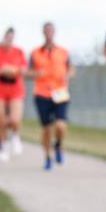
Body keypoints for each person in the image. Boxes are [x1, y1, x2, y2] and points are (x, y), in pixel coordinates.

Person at [27, 22, 73, 171]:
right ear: (43, 32)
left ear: (54, 32)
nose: (49, 33)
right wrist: (35, 74)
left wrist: (68, 75)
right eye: (46, 30)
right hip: (42, 92)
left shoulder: (63, 51)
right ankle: (47, 157)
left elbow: (71, 69)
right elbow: (28, 72)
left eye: (51, 30)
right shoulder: (35, 52)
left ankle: (58, 145)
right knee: (46, 128)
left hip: (60, 91)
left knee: (60, 125)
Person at [0, 27, 27, 162]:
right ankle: (3, 146)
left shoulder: (19, 52)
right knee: (1, 120)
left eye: (11, 38)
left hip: (15, 88)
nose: (9, 40)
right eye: (7, 37)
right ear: (4, 38)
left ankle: (15, 135)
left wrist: (12, 70)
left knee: (15, 119)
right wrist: (1, 71)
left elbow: (23, 69)